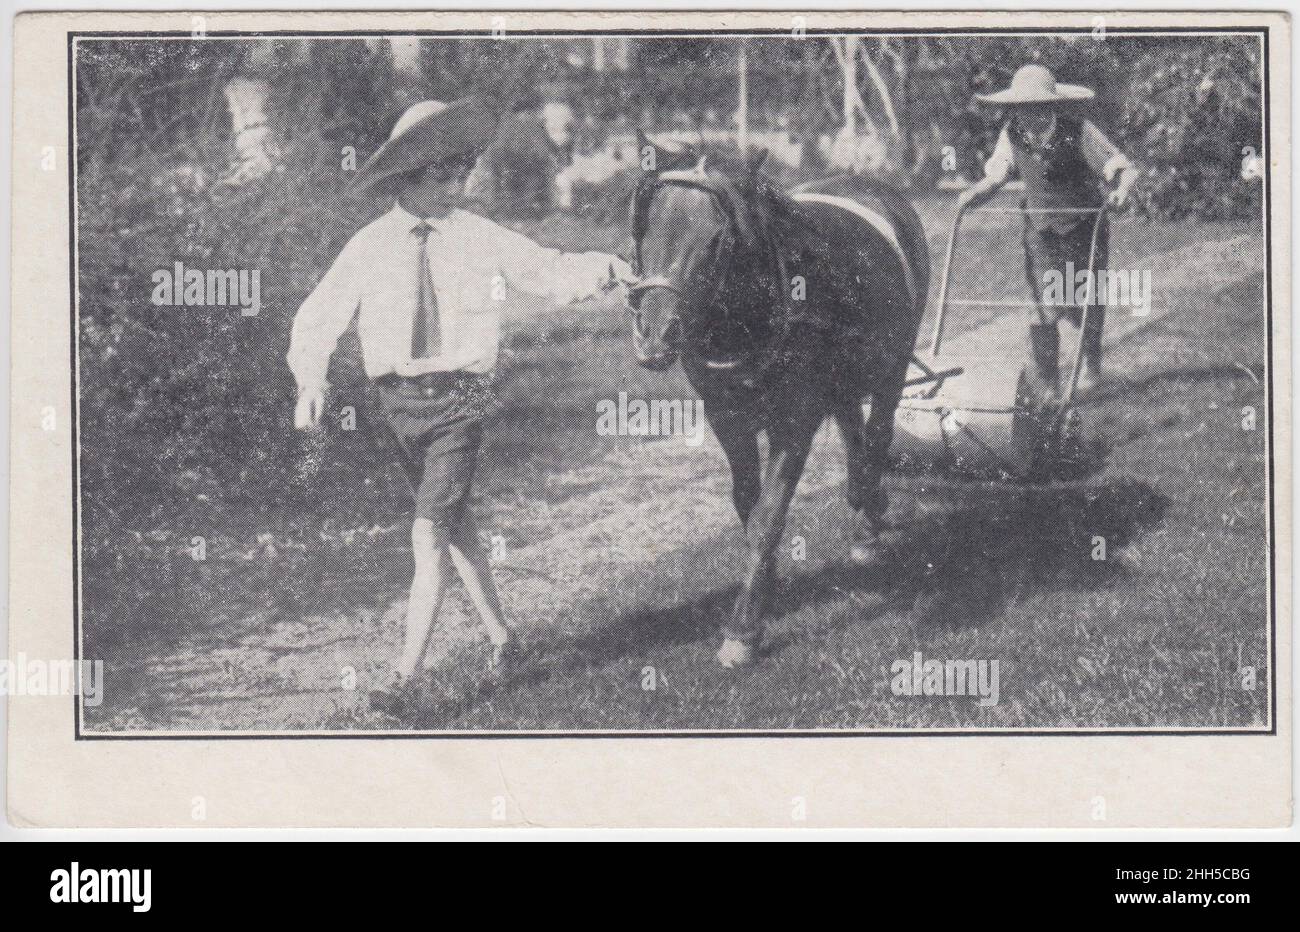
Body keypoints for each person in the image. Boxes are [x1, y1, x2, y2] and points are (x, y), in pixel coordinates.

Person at [287, 98, 631, 714]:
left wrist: (604, 267)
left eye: (460, 172)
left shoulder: (477, 235)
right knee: (457, 528)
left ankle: (404, 676)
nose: (458, 185)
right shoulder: (370, 246)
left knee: (428, 535)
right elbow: (321, 312)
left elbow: (546, 270)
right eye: (444, 175)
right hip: (396, 406)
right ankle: (504, 639)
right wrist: (310, 381)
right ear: (409, 178)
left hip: (461, 402)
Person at [959, 64, 1137, 399]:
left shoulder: (1080, 131)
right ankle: (1049, 385)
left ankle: (1091, 363)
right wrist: (974, 195)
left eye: (1037, 108)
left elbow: (1123, 169)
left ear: (1051, 106)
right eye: (1023, 109)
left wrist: (1121, 191)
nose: (1029, 116)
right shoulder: (1011, 136)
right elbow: (996, 178)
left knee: (1085, 300)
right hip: (1040, 232)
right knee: (1041, 305)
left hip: (1084, 228)